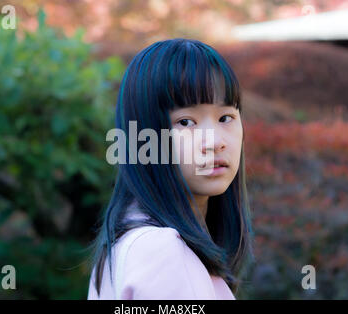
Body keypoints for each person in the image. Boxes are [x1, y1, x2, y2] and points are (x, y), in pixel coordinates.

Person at [86, 38, 254, 300]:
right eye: (186, 122)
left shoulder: (129, 245)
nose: (215, 142)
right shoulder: (160, 251)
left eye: (226, 118)